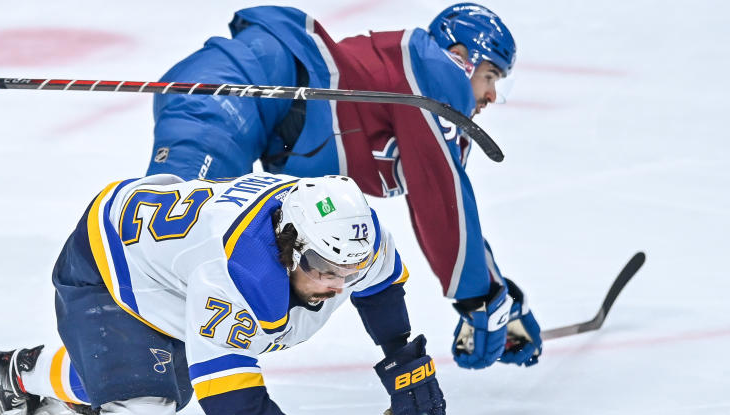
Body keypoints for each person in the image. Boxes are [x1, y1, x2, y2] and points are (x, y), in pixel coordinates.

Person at [0, 173, 446, 415]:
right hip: (111, 262)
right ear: (289, 245)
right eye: (324, 269)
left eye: (351, 270)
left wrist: (403, 359)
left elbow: (380, 286)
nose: (338, 285)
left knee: (158, 376)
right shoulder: (239, 273)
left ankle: (14, 373)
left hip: (172, 260)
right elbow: (231, 399)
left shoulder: (348, 231)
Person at [144, 3, 542, 370]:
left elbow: (447, 196)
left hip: (235, 101)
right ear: (460, 57)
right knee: (176, 245)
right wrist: (482, 298)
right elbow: (441, 194)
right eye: (490, 75)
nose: (491, 94)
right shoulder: (438, 70)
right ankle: (107, 376)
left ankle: (119, 371)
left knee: (185, 248)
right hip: (227, 93)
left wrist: (496, 293)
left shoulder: (421, 89)